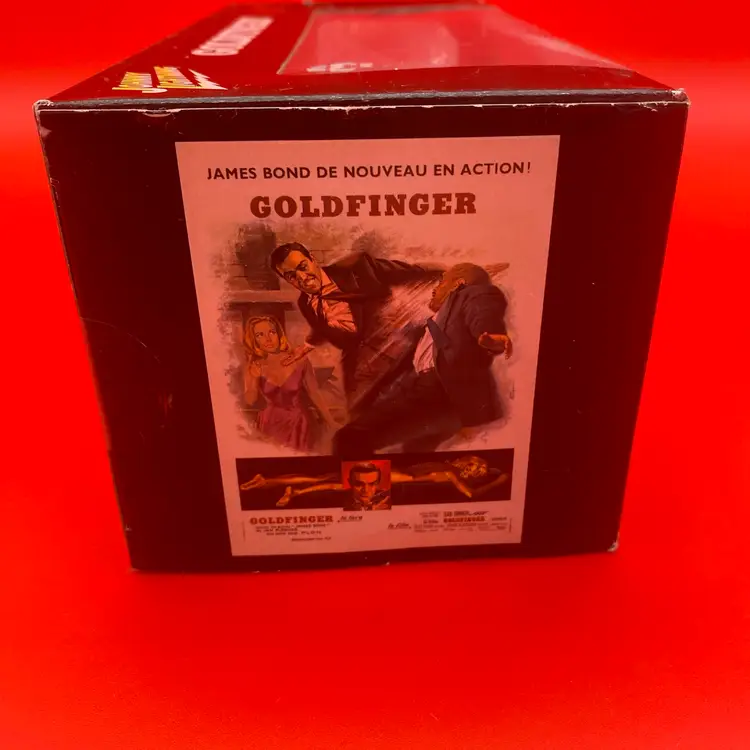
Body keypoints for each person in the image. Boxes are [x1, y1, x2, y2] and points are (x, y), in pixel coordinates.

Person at [332, 263, 512, 456]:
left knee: (350, 438)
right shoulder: (436, 324)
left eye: (442, 282)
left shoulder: (473, 294)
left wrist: (491, 337)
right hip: (431, 392)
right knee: (415, 454)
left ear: (458, 284)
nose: (435, 288)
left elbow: (483, 312)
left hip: (440, 391)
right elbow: (442, 351)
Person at [269, 243, 443, 415]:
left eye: (302, 267)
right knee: (358, 414)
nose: (301, 277)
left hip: (400, 347)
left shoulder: (357, 267)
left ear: (312, 259)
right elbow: (321, 327)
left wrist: (446, 276)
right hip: (361, 365)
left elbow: (406, 272)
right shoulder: (305, 304)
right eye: (291, 276)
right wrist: (307, 345)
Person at [239, 455, 507, 507]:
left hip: (392, 471)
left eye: (480, 472)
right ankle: (293, 492)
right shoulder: (450, 474)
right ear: (466, 465)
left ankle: (268, 481)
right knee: (334, 484)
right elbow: (470, 495)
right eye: (477, 468)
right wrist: (499, 480)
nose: (476, 473)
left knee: (325, 478)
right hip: (393, 476)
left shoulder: (443, 466)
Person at [243, 315, 338, 452]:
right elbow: (250, 400)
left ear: (279, 334)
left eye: (272, 332)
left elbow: (315, 393)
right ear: (254, 340)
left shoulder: (299, 360)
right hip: (269, 423)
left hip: (298, 423)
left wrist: (330, 421)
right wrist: (253, 378)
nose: (268, 339)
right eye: (260, 335)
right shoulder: (255, 366)